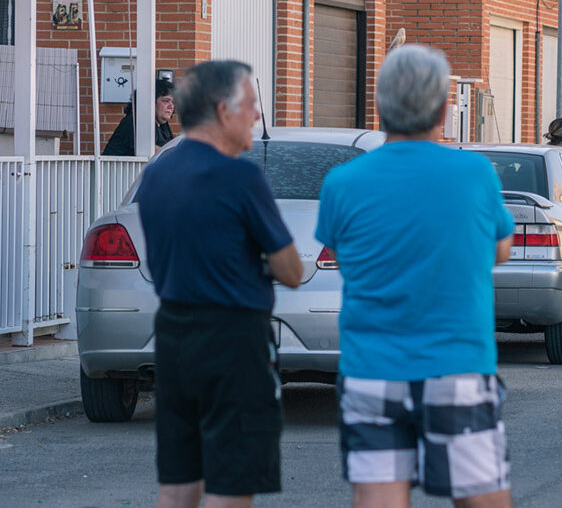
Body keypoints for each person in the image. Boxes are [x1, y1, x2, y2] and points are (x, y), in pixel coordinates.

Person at [315, 45, 515, 508]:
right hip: (456, 364)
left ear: (381, 107)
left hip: (371, 368)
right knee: (482, 497)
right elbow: (499, 249)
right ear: (445, 107)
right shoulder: (474, 173)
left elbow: (346, 259)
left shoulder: (342, 183)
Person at [137, 61, 303, 507]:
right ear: (221, 110)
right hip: (234, 339)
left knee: (178, 482)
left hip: (172, 334)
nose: (255, 116)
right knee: (231, 481)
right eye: (250, 105)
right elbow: (291, 269)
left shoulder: (156, 175)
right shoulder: (242, 177)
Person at [102, 77, 176, 156]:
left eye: (173, 102)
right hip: (116, 168)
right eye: (166, 101)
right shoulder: (136, 120)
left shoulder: (163, 125)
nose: (171, 106)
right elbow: (148, 150)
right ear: (151, 101)